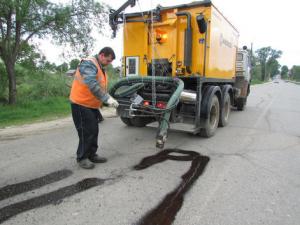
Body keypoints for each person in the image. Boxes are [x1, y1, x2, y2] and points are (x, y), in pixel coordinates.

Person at [69, 47, 119, 169]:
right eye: (108, 60)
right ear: (101, 55)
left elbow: (100, 86)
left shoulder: (100, 67)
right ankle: (82, 158)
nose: (108, 63)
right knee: (86, 132)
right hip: (80, 103)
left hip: (91, 104)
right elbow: (92, 84)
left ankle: (91, 154)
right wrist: (107, 99)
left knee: (93, 130)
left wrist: (106, 100)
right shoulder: (88, 63)